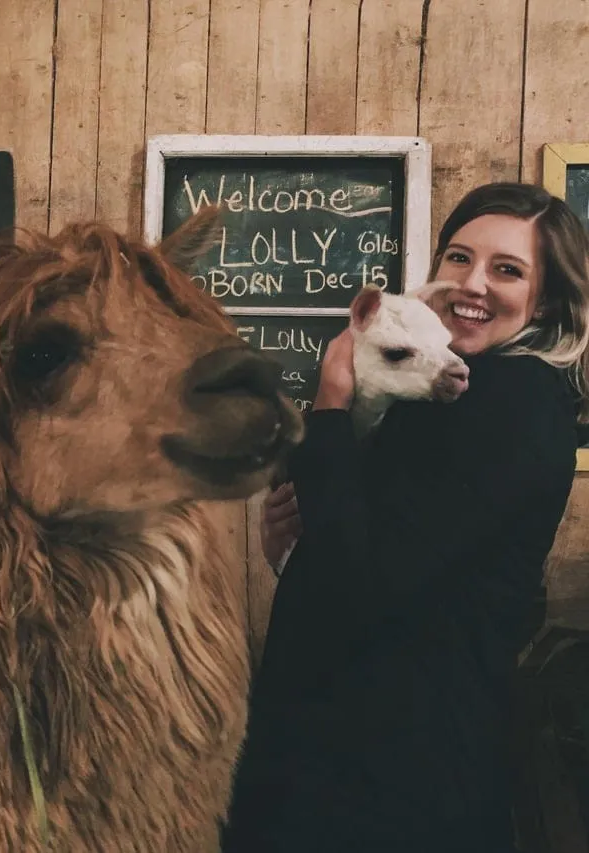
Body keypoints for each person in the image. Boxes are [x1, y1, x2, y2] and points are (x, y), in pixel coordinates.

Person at [220, 182, 589, 853]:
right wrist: (292, 552)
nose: (473, 283)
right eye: (459, 257)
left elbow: (358, 580)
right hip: (364, 759)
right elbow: (383, 550)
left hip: (386, 776)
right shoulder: (445, 394)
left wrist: (331, 400)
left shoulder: (507, 399)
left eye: (508, 270)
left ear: (546, 300)